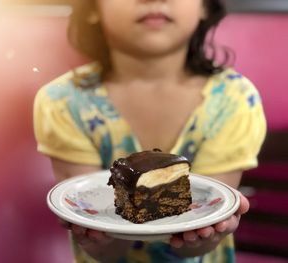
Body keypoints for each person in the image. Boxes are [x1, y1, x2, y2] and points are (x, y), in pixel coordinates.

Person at [33, 0, 266, 262]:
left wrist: (205, 235)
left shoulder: (233, 98)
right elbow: (95, 232)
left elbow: (204, 226)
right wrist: (98, 240)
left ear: (205, 7)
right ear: (93, 9)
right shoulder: (64, 101)